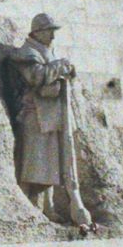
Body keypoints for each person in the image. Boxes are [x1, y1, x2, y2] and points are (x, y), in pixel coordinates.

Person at [9, 12, 93, 228]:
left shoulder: (47, 51)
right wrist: (60, 68)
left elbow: (54, 76)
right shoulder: (27, 52)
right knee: (32, 164)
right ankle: (29, 207)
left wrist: (66, 72)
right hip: (33, 116)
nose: (53, 37)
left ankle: (48, 208)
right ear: (38, 32)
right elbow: (35, 77)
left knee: (51, 164)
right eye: (50, 31)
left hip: (51, 116)